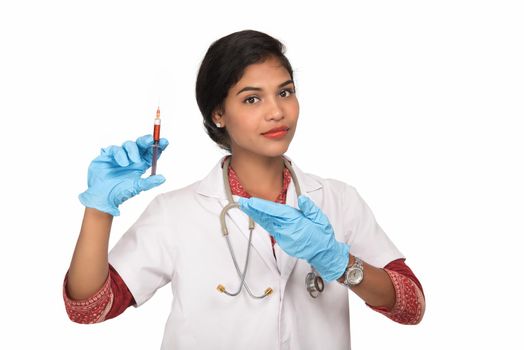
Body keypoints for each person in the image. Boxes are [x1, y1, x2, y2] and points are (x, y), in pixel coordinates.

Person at [64, 30, 425, 349]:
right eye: (252, 99)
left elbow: (411, 306)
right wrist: (98, 209)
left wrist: (340, 263)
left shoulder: (338, 199)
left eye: (285, 92)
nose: (277, 112)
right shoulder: (175, 213)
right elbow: (89, 308)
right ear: (218, 114)